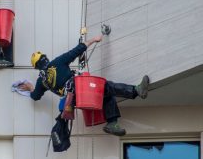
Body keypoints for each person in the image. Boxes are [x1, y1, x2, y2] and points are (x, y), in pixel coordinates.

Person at [18, 35, 149, 136]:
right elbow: (77, 50)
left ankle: (112, 123)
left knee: (106, 95)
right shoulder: (57, 62)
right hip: (79, 89)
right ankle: (137, 90)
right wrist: (94, 39)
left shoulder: (42, 81)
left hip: (72, 101)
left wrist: (30, 88)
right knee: (106, 87)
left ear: (36, 67)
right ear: (45, 58)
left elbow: (35, 96)